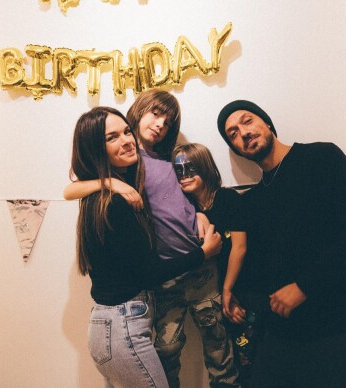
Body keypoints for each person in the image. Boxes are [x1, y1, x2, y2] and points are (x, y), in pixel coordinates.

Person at [64, 90, 240, 388]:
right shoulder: (131, 167)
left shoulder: (171, 159)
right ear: (138, 111)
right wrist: (111, 184)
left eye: (168, 121)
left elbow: (187, 195)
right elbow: (70, 190)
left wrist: (199, 214)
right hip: (165, 278)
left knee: (218, 346)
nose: (161, 124)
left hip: (201, 270)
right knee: (167, 350)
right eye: (155, 114)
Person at [216, 100, 346, 388]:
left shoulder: (321, 158)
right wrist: (228, 290)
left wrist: (304, 286)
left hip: (341, 327)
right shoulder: (256, 199)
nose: (242, 132)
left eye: (247, 121)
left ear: (266, 123)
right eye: (232, 133)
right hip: (285, 336)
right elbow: (253, 260)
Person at [172, 143, 259, 386]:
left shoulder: (227, 198)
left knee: (249, 358)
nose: (185, 176)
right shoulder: (185, 210)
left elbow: (240, 247)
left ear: (205, 167)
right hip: (209, 293)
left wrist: (228, 291)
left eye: (190, 168)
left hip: (241, 286)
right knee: (223, 355)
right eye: (178, 171)